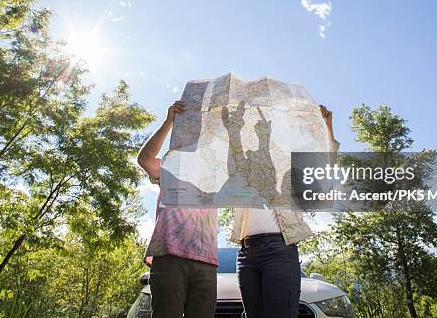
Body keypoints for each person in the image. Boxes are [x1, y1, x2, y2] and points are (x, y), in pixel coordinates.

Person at [232, 105, 339, 318]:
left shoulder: (292, 175)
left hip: (279, 250)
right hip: (246, 255)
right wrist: (235, 128)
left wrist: (327, 127)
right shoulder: (245, 176)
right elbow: (232, 152)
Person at [137, 101, 218, 318]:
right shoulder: (170, 167)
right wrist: (168, 122)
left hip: (206, 263)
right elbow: (144, 160)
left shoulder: (217, 175)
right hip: (169, 256)